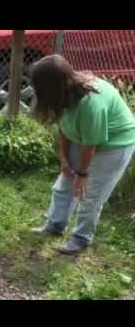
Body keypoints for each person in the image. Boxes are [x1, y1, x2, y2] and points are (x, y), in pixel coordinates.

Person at [29, 54, 135, 255]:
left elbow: (91, 143)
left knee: (91, 194)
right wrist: (64, 158)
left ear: (54, 86)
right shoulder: (62, 97)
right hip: (86, 139)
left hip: (116, 144)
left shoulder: (90, 103)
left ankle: (80, 238)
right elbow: (64, 126)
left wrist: (82, 175)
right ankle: (55, 225)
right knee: (64, 183)